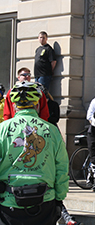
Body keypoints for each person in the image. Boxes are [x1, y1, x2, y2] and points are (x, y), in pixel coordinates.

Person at [0, 81, 69, 225]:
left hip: (9, 203)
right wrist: (59, 196)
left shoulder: (2, 129)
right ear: (37, 105)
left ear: (13, 106)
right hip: (44, 202)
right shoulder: (52, 130)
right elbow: (62, 166)